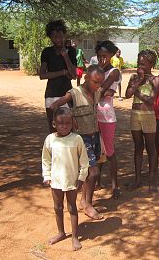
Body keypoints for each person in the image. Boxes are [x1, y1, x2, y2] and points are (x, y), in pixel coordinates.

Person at [50, 65, 105, 220]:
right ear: (86, 78)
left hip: (94, 136)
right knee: (93, 172)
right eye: (95, 82)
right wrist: (69, 116)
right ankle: (87, 205)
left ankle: (84, 201)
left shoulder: (97, 92)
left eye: (100, 83)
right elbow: (54, 106)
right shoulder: (74, 93)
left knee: (89, 173)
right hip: (81, 140)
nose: (98, 86)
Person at [42, 107, 89, 251]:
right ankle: (61, 232)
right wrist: (47, 175)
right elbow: (46, 159)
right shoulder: (50, 139)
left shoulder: (76, 139)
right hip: (56, 181)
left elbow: (84, 162)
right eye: (60, 123)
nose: (64, 126)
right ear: (54, 124)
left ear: (72, 123)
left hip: (72, 180)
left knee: (72, 207)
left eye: (68, 123)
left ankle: (75, 236)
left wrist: (81, 178)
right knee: (58, 207)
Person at [125, 50, 159, 193]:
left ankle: (152, 181)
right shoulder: (134, 77)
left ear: (151, 64)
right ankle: (138, 179)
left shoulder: (155, 80)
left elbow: (151, 101)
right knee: (138, 147)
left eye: (143, 63)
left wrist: (136, 91)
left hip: (148, 116)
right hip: (135, 114)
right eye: (139, 62)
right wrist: (139, 80)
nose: (140, 65)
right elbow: (127, 94)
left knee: (150, 147)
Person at [39, 20, 77, 133]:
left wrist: (65, 55)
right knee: (53, 126)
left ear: (64, 35)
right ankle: (54, 150)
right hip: (51, 93)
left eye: (60, 36)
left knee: (70, 126)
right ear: (50, 37)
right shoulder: (46, 52)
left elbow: (74, 75)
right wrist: (63, 72)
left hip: (67, 94)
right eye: (54, 37)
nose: (58, 40)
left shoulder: (71, 51)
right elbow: (42, 75)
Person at [95, 40, 121, 199]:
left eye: (104, 56)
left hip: (106, 117)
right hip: (93, 114)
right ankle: (97, 181)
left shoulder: (114, 72)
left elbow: (101, 89)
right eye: (99, 56)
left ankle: (115, 185)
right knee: (97, 149)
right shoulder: (97, 70)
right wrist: (102, 92)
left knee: (109, 151)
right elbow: (98, 91)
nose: (102, 59)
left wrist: (100, 91)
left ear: (111, 55)